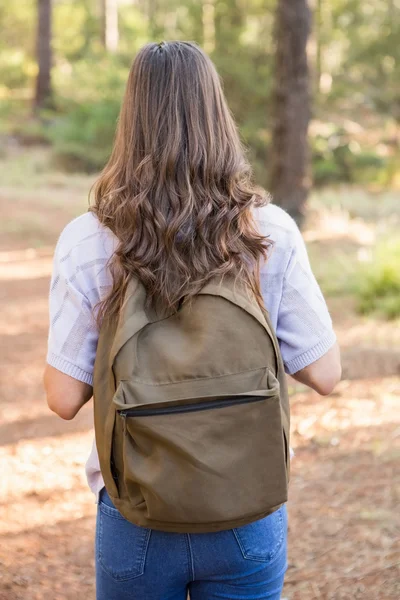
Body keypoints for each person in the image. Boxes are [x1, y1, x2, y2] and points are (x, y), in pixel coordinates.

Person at [43, 41, 341, 600]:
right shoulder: (267, 231)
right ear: (217, 115)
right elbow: (325, 373)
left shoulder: (89, 239)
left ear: (130, 120)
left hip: (138, 514)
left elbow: (63, 398)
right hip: (246, 509)